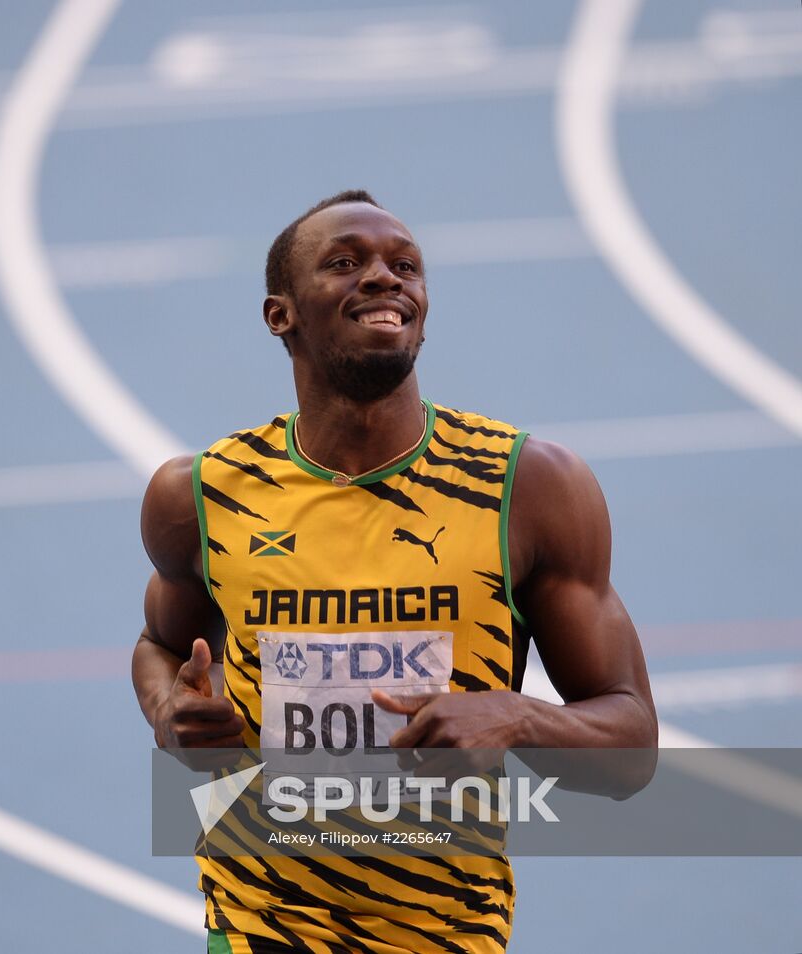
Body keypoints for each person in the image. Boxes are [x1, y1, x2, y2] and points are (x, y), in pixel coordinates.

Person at [131, 190, 657, 953]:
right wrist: (167, 714)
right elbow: (159, 646)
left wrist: (519, 716)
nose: (385, 277)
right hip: (257, 927)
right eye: (347, 262)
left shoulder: (527, 489)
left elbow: (632, 747)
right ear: (280, 315)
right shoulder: (201, 495)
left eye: (404, 265)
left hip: (447, 934)